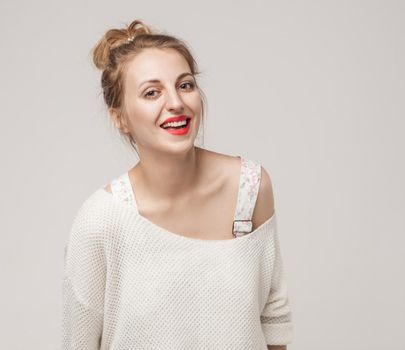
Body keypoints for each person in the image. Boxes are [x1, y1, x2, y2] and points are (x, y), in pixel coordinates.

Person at [62, 19, 294, 350]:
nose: (175, 102)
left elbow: (274, 322)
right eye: (151, 92)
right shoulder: (100, 222)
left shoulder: (250, 188)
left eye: (184, 85)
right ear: (120, 117)